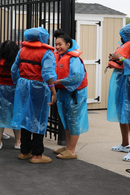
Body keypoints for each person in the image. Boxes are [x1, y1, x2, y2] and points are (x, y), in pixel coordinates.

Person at [11, 27, 57, 163]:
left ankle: (24, 151)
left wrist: (18, 83)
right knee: (39, 119)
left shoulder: (22, 50)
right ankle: (37, 154)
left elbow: (14, 69)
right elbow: (48, 74)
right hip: (39, 87)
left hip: (23, 85)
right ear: (42, 37)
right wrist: (53, 91)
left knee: (25, 117)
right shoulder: (47, 53)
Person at [53, 29, 89, 160]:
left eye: (60, 44)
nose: (57, 47)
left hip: (74, 93)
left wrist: (59, 82)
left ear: (68, 44)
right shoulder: (61, 56)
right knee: (66, 119)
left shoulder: (74, 59)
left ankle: (72, 150)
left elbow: (76, 77)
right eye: (56, 44)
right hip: (64, 91)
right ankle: (68, 146)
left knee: (73, 121)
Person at [107, 23, 130, 162]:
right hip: (122, 84)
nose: (122, 39)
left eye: (123, 36)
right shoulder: (126, 47)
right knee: (122, 114)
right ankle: (125, 144)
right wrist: (115, 58)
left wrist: (121, 58)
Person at [0, 40, 21, 150]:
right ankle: (18, 143)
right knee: (16, 115)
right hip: (15, 90)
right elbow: (20, 76)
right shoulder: (17, 63)